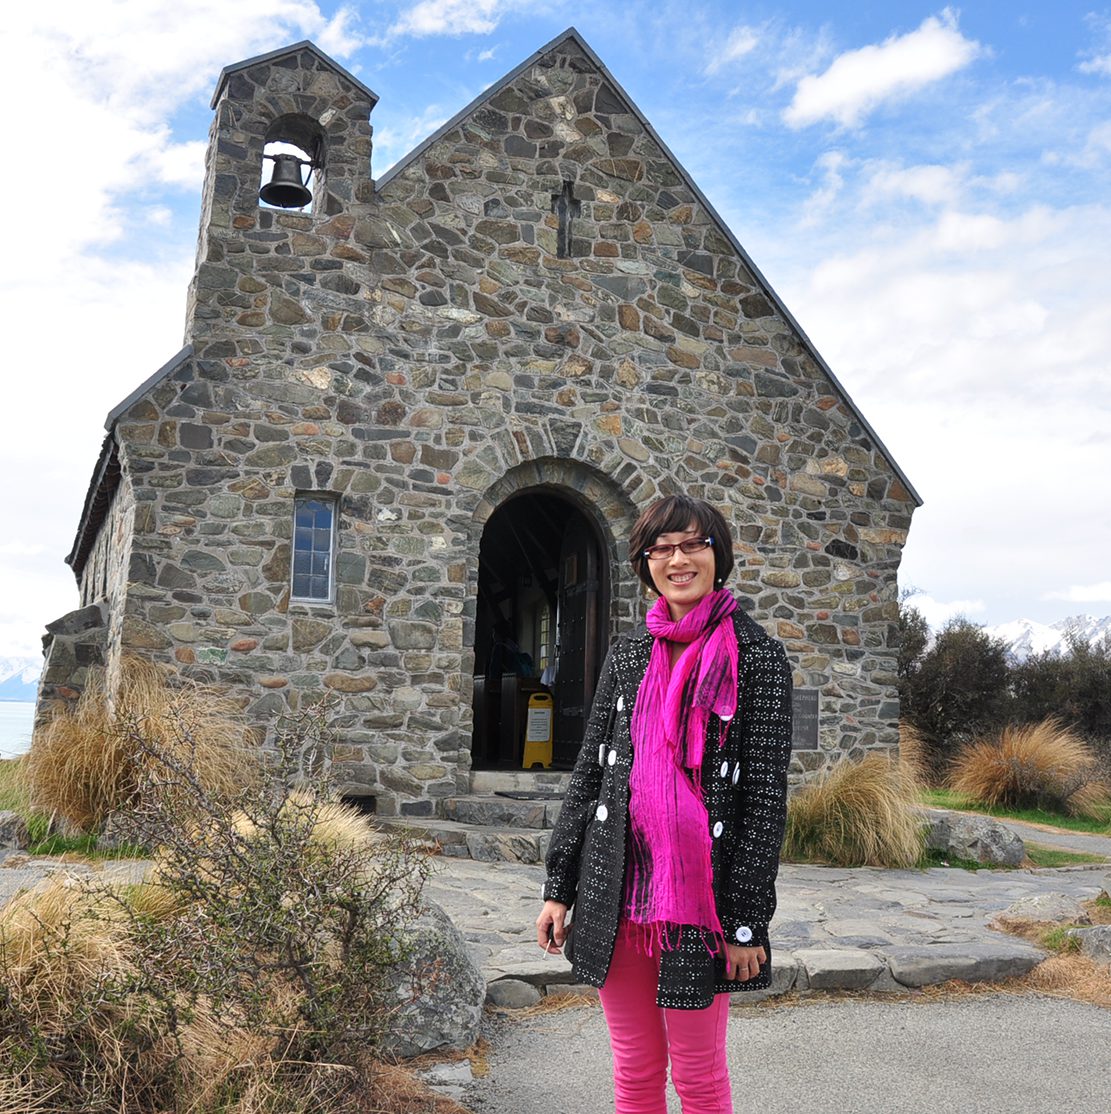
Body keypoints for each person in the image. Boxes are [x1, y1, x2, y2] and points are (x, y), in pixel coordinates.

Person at [536, 493, 793, 1114]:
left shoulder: (757, 657)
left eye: (693, 544)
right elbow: (590, 775)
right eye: (662, 548)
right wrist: (558, 886)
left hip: (701, 906)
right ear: (646, 563)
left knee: (698, 1077)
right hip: (617, 891)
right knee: (635, 1069)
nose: (678, 560)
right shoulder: (628, 656)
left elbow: (763, 802)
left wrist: (745, 922)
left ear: (717, 554)